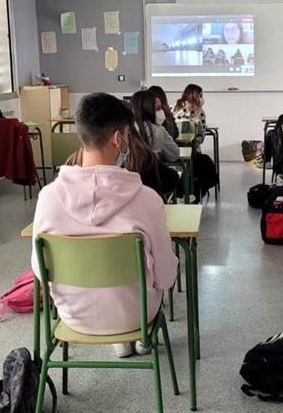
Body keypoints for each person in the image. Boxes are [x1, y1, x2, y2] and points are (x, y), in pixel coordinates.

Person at [32, 92, 178, 358]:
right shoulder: (147, 200)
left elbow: (40, 271)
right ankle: (137, 339)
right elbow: (166, 276)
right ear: (118, 139)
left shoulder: (48, 198)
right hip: (135, 315)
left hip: (74, 318)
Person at [130, 90, 179, 163]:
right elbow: (174, 155)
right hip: (152, 172)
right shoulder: (158, 130)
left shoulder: (125, 128)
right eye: (158, 108)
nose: (161, 111)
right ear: (148, 109)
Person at [171, 84, 207, 149]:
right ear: (195, 97)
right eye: (200, 96)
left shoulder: (172, 107)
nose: (202, 99)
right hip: (192, 150)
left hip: (173, 148)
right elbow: (201, 135)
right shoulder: (199, 112)